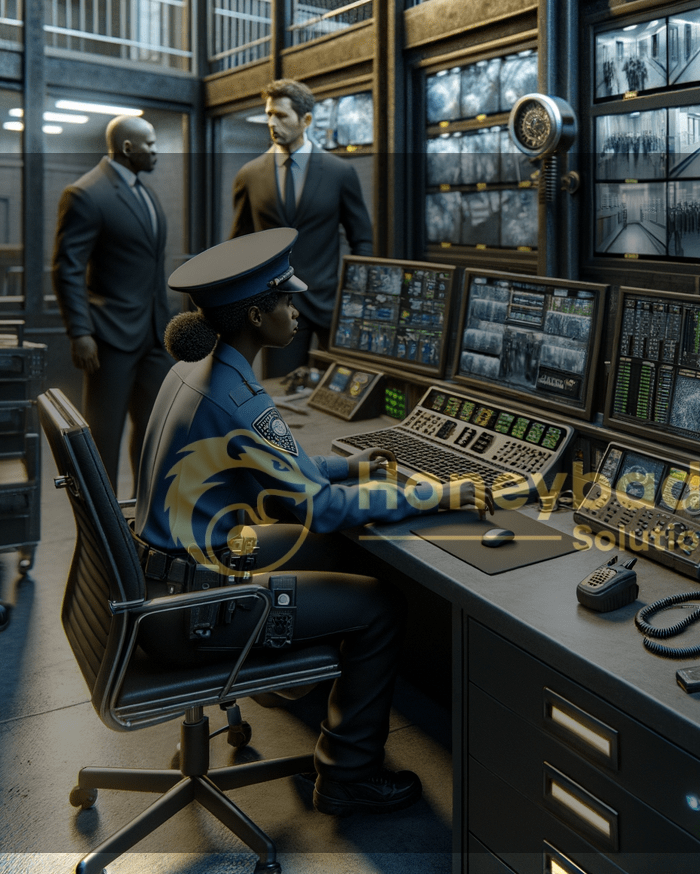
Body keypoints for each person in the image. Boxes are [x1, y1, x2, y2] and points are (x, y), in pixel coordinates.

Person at [134, 228, 492, 817]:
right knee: (379, 606)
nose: (298, 314)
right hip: (191, 610)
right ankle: (347, 776)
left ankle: (284, 679)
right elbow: (320, 507)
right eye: (287, 302)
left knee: (338, 554)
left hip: (170, 576)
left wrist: (347, 465)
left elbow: (280, 466)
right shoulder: (238, 398)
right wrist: (440, 493)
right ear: (256, 314)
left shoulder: (198, 370)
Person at [52, 114, 173, 488]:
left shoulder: (145, 191)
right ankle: (103, 532)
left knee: (156, 432)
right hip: (109, 337)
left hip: (154, 336)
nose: (156, 152)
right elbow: (66, 269)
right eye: (150, 145)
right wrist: (80, 332)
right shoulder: (86, 194)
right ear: (127, 148)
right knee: (103, 438)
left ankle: (147, 515)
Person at [230, 79, 374, 377]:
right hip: (275, 307)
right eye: (269, 114)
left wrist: (353, 297)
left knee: (343, 391)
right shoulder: (250, 175)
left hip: (331, 307)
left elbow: (362, 239)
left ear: (305, 120)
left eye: (281, 115)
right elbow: (239, 245)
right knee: (280, 397)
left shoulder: (340, 172)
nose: (272, 122)